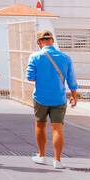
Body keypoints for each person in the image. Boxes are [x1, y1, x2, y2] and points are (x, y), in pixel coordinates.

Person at [25, 28, 79, 169]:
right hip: (59, 98)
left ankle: (42, 156)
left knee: (40, 125)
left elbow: (30, 77)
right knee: (57, 128)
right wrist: (74, 95)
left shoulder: (35, 57)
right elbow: (72, 79)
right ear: (52, 41)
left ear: (39, 42)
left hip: (40, 97)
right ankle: (57, 160)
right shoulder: (66, 57)